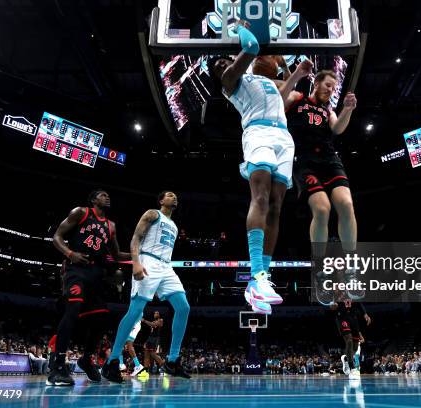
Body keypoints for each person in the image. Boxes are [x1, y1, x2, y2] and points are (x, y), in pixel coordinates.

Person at [207, 21, 313, 314]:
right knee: (262, 198)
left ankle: (263, 279)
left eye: (225, 58)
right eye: (219, 63)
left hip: (283, 136)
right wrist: (238, 27)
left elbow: (281, 99)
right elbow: (252, 47)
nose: (224, 62)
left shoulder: (261, 79)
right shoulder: (231, 81)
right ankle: (254, 276)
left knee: (278, 205)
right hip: (258, 134)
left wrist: (297, 75)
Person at [283, 69, 358, 294]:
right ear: (315, 83)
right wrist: (293, 75)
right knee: (323, 209)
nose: (330, 90)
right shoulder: (298, 99)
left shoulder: (328, 110)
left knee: (346, 205)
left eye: (333, 88)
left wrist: (348, 109)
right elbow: (281, 96)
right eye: (327, 85)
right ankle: (319, 270)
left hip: (329, 158)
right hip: (305, 160)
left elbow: (337, 129)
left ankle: (351, 270)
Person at [103, 191, 191, 383]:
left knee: (184, 307)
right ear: (161, 200)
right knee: (135, 311)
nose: (174, 197)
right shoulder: (153, 214)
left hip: (166, 266)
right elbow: (136, 238)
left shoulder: (175, 226)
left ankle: (173, 361)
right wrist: (136, 262)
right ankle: (112, 361)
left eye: (176, 195)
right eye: (169, 195)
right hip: (148, 260)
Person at [47, 189, 131, 386]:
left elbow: (117, 255)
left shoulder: (111, 226)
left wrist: (138, 253)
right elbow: (57, 237)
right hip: (76, 269)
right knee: (73, 310)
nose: (107, 197)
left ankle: (87, 358)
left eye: (109, 195)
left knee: (101, 318)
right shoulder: (81, 212)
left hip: (96, 274)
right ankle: (57, 365)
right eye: (102, 195)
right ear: (93, 199)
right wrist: (69, 253)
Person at [332, 298, 371, 379]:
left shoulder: (352, 291)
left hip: (353, 318)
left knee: (355, 347)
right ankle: (352, 368)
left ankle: (346, 359)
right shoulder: (336, 292)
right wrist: (333, 306)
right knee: (349, 340)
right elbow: (331, 306)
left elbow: (359, 303)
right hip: (342, 318)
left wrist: (365, 314)